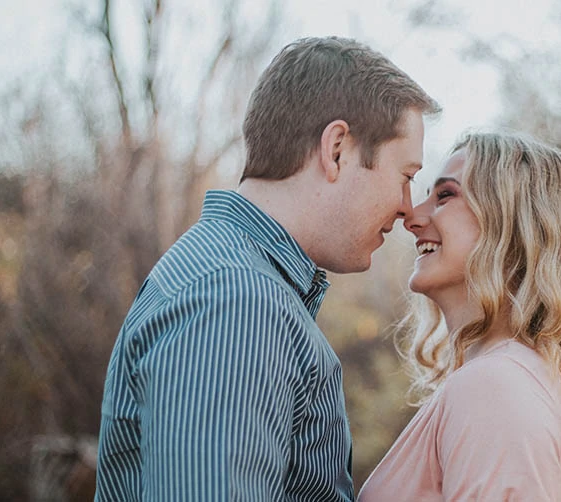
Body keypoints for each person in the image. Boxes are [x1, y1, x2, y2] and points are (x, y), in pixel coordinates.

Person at [95, 36, 440, 501]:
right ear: (336, 148)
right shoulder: (236, 300)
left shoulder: (235, 282)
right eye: (406, 177)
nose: (406, 208)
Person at [358, 131, 561, 501]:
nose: (411, 215)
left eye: (445, 195)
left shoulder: (496, 386)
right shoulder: (510, 378)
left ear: (514, 225)